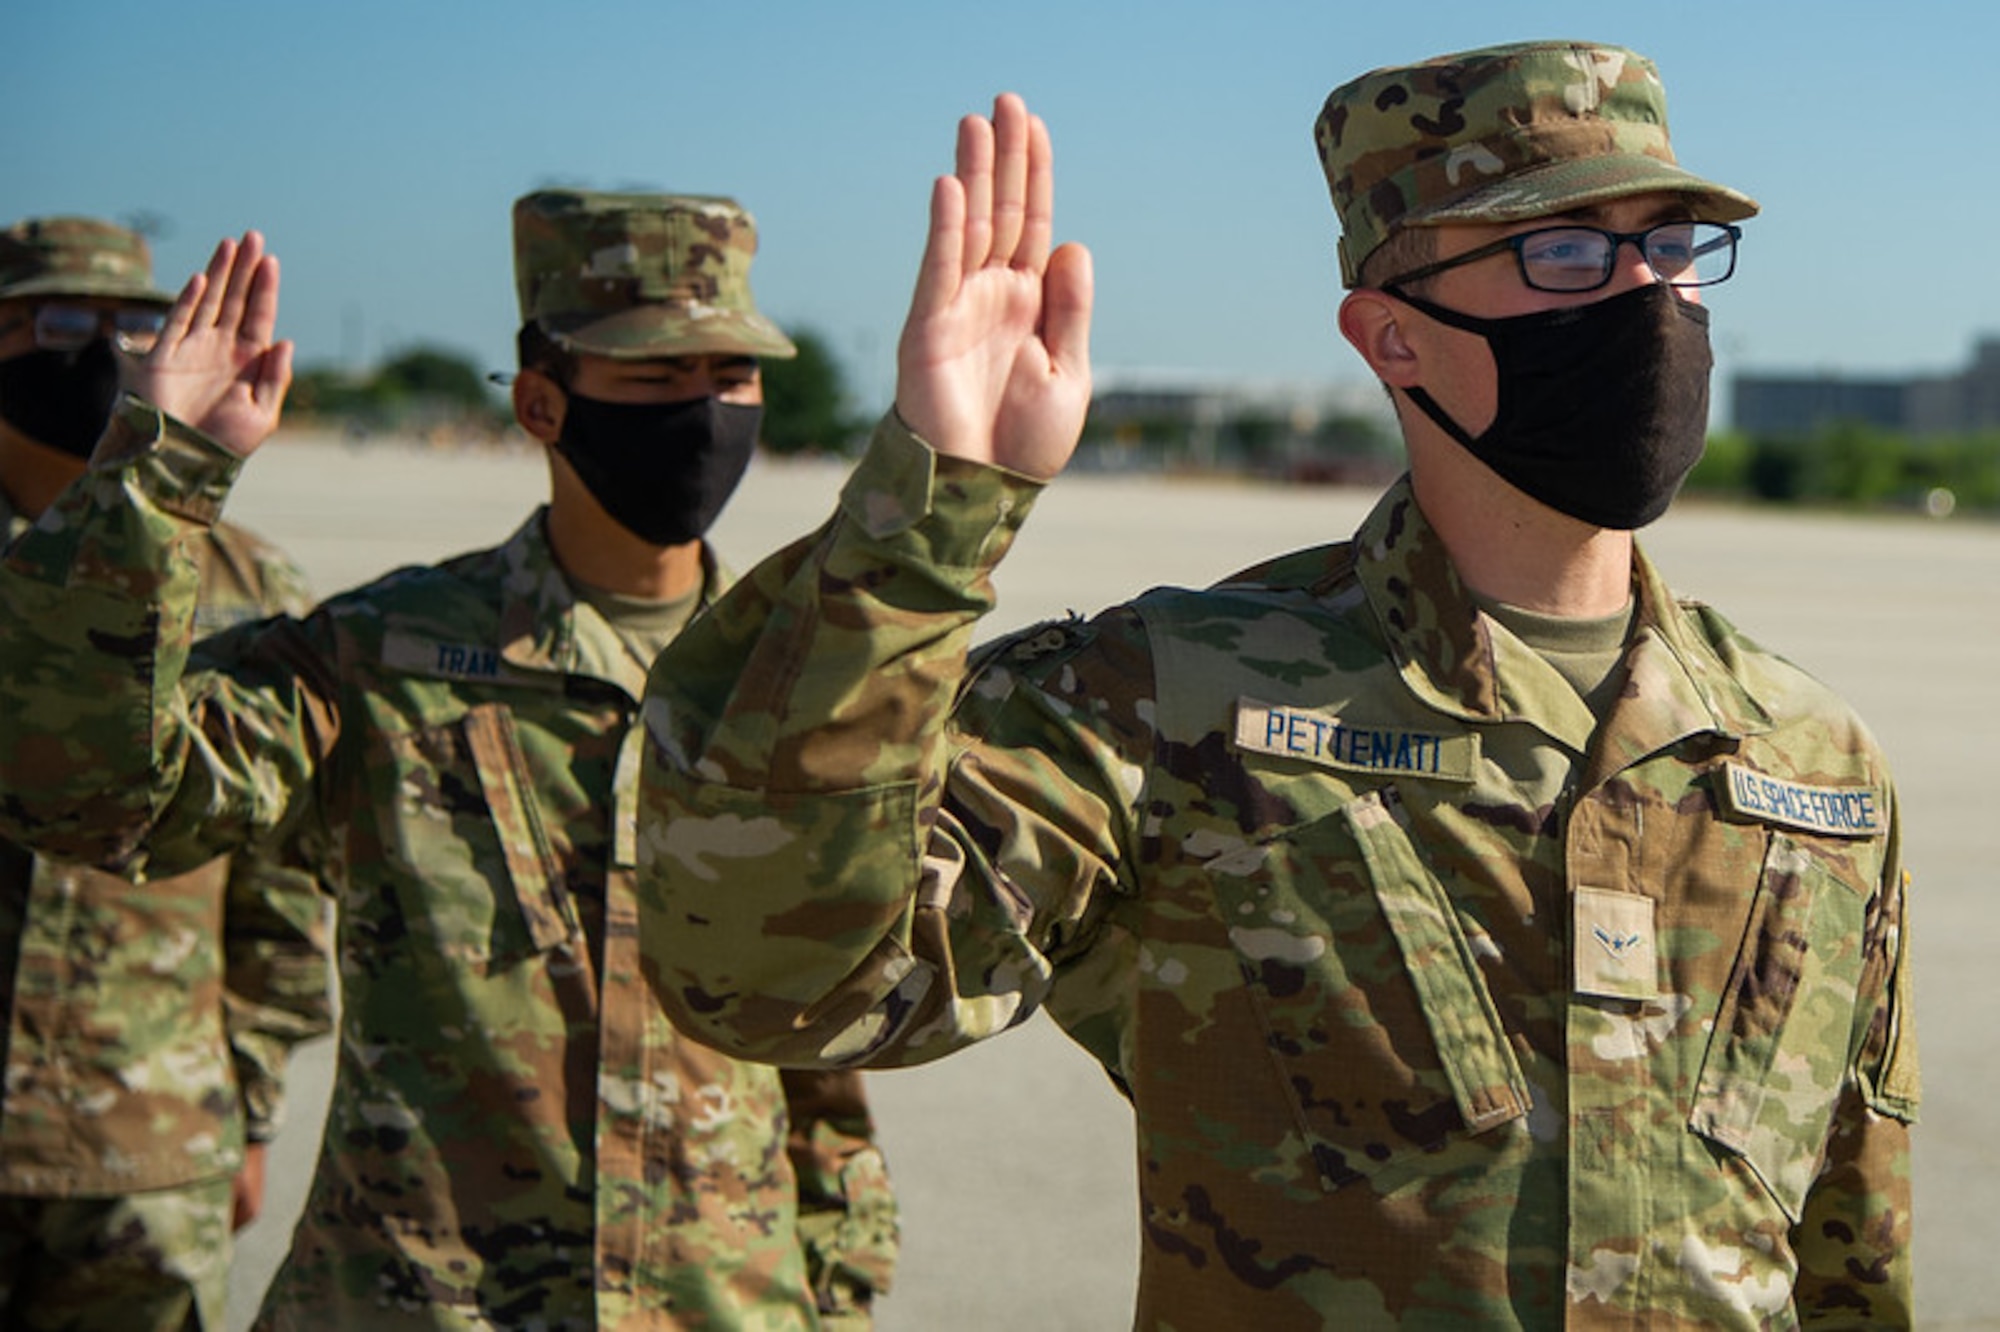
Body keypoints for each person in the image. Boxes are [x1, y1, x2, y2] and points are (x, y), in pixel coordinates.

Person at [628, 43, 1918, 1328]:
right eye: (1566, 252)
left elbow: (1853, 1252)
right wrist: (928, 515)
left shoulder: (1807, 766)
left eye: (1672, 246)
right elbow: (780, 978)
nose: (1645, 298)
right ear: (1392, 336)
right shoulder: (1178, 701)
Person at [0, 193, 898, 1328]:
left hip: (722, 1302)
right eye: (656, 378)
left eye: (733, 377)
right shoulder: (381, 656)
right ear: (541, 401)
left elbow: (816, 1034)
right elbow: (86, 793)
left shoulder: (787, 684)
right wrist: (162, 474)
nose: (705, 413)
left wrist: (837, 1282)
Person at [0, 216, 334, 1328]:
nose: (100, 351)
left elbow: (280, 868)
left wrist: (251, 1106)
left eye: (131, 323)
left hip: (149, 1134)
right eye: (56, 322)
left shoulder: (241, 576)